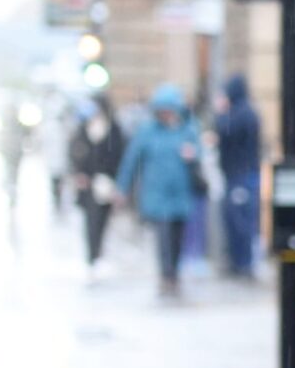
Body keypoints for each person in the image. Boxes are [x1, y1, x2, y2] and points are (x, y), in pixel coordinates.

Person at [118, 84, 206, 299]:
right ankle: (167, 276)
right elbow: (132, 160)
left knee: (177, 236)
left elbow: (200, 156)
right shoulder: (148, 131)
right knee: (164, 235)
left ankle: (174, 273)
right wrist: (122, 187)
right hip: (157, 193)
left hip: (180, 192)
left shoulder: (188, 129)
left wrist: (192, 155)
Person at [68, 98, 126, 273]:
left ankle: (98, 253)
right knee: (90, 221)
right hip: (88, 183)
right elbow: (75, 152)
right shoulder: (83, 129)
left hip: (107, 182)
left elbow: (119, 155)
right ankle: (92, 256)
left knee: (103, 220)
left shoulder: (113, 130)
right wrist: (79, 173)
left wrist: (116, 181)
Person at [214, 73, 263, 277]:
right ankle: (239, 261)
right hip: (237, 175)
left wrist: (221, 112)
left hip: (241, 176)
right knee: (236, 220)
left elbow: (225, 131)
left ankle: (243, 263)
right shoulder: (245, 113)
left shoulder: (242, 114)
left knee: (240, 221)